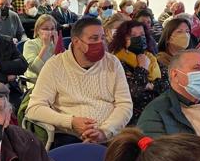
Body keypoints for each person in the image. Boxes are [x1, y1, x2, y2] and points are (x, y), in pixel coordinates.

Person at [26, 17, 133, 147]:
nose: (101, 43)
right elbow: (34, 108)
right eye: (94, 38)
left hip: (110, 135)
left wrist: (104, 131)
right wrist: (71, 122)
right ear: (76, 41)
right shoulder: (55, 65)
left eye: (102, 38)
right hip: (70, 136)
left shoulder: (112, 62)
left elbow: (125, 105)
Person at [110, 20, 169, 123]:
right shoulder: (116, 62)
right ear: (123, 39)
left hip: (160, 111)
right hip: (135, 117)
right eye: (132, 35)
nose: (139, 38)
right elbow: (133, 93)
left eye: (142, 35)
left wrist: (150, 86)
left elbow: (168, 86)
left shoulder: (152, 58)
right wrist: (142, 68)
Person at [23, 14, 63, 89]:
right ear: (37, 30)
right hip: (37, 82)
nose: (50, 32)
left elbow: (64, 65)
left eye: (52, 29)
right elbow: (35, 68)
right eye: (46, 29)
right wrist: (45, 46)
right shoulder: (30, 44)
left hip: (57, 80)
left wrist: (57, 46)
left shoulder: (55, 43)